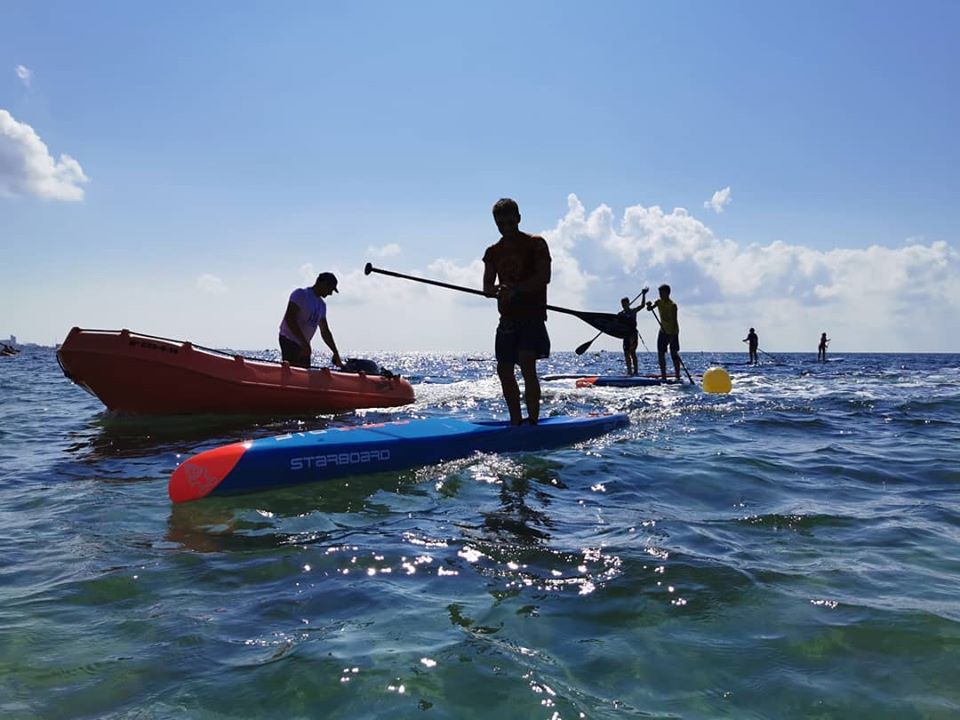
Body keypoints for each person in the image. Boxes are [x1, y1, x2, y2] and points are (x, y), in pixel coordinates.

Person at [482, 198, 551, 426]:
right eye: (501, 224)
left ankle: (532, 421)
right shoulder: (492, 252)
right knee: (504, 369)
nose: (506, 228)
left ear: (519, 219)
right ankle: (515, 422)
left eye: (510, 223)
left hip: (531, 316)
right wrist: (498, 290)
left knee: (526, 362)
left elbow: (544, 277)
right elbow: (487, 288)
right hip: (507, 319)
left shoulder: (536, 244)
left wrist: (517, 289)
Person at [278, 272, 343, 369]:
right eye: (330, 289)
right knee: (295, 371)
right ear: (323, 283)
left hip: (304, 345)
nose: (330, 293)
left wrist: (335, 352)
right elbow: (290, 319)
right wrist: (304, 343)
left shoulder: (322, 305)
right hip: (289, 339)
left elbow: (325, 331)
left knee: (304, 371)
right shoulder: (301, 294)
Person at [647, 284, 681, 381]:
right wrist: (649, 305)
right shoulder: (658, 302)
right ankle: (663, 375)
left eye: (662, 293)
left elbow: (674, 321)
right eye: (660, 293)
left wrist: (672, 336)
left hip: (673, 332)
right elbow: (649, 309)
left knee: (674, 354)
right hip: (663, 331)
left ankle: (677, 375)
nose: (660, 295)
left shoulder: (673, 305)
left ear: (667, 293)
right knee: (661, 353)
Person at [619, 290, 648, 375]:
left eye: (625, 303)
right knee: (626, 353)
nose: (624, 305)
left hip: (633, 335)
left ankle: (635, 372)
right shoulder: (620, 314)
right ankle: (629, 371)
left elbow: (642, 306)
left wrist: (643, 295)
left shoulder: (633, 311)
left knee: (632, 352)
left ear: (628, 303)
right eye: (622, 304)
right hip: (625, 336)